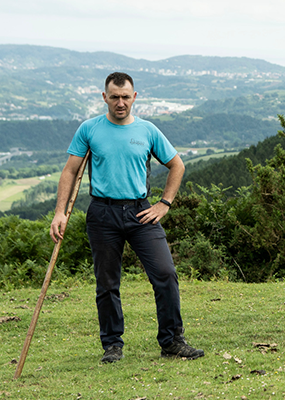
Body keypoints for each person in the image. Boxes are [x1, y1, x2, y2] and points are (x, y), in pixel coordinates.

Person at [50, 72, 203, 363]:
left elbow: (177, 165)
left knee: (165, 274)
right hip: (102, 212)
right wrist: (60, 212)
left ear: (134, 97)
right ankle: (112, 346)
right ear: (104, 97)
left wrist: (164, 204)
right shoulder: (89, 129)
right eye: (114, 97)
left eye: (125, 97)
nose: (120, 103)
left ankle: (172, 341)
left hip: (141, 211)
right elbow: (70, 171)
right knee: (107, 283)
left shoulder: (147, 130)